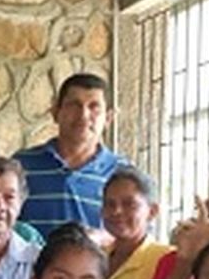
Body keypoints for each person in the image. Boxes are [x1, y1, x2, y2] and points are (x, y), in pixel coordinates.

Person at [13, 73, 133, 239]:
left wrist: (102, 239)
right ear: (56, 112)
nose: (83, 115)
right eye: (74, 105)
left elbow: (135, 234)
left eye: (94, 107)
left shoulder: (124, 173)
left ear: (108, 118)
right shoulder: (22, 165)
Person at [99, 168, 173, 279]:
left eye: (129, 204)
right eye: (110, 204)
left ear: (152, 211)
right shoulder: (96, 257)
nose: (117, 211)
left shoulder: (166, 259)